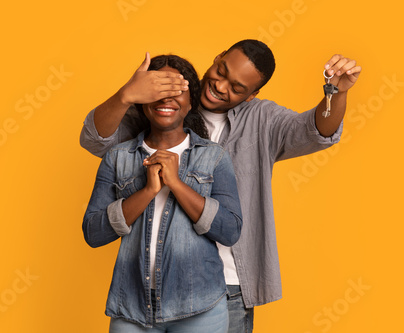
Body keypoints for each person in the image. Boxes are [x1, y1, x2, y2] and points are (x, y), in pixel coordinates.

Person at [80, 39, 362, 333]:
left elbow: (316, 131)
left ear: (252, 95)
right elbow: (96, 138)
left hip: (228, 285)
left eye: (237, 88)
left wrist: (335, 93)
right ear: (216, 58)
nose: (220, 86)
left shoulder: (262, 120)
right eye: (221, 70)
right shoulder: (164, 108)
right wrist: (126, 95)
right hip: (153, 284)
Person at [82, 54, 243, 332]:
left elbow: (230, 230)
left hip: (200, 307)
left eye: (177, 91)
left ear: (190, 101)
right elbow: (93, 234)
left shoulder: (214, 157)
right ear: (142, 99)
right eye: (157, 90)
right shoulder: (117, 157)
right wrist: (147, 191)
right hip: (132, 308)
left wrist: (177, 184)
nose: (166, 98)